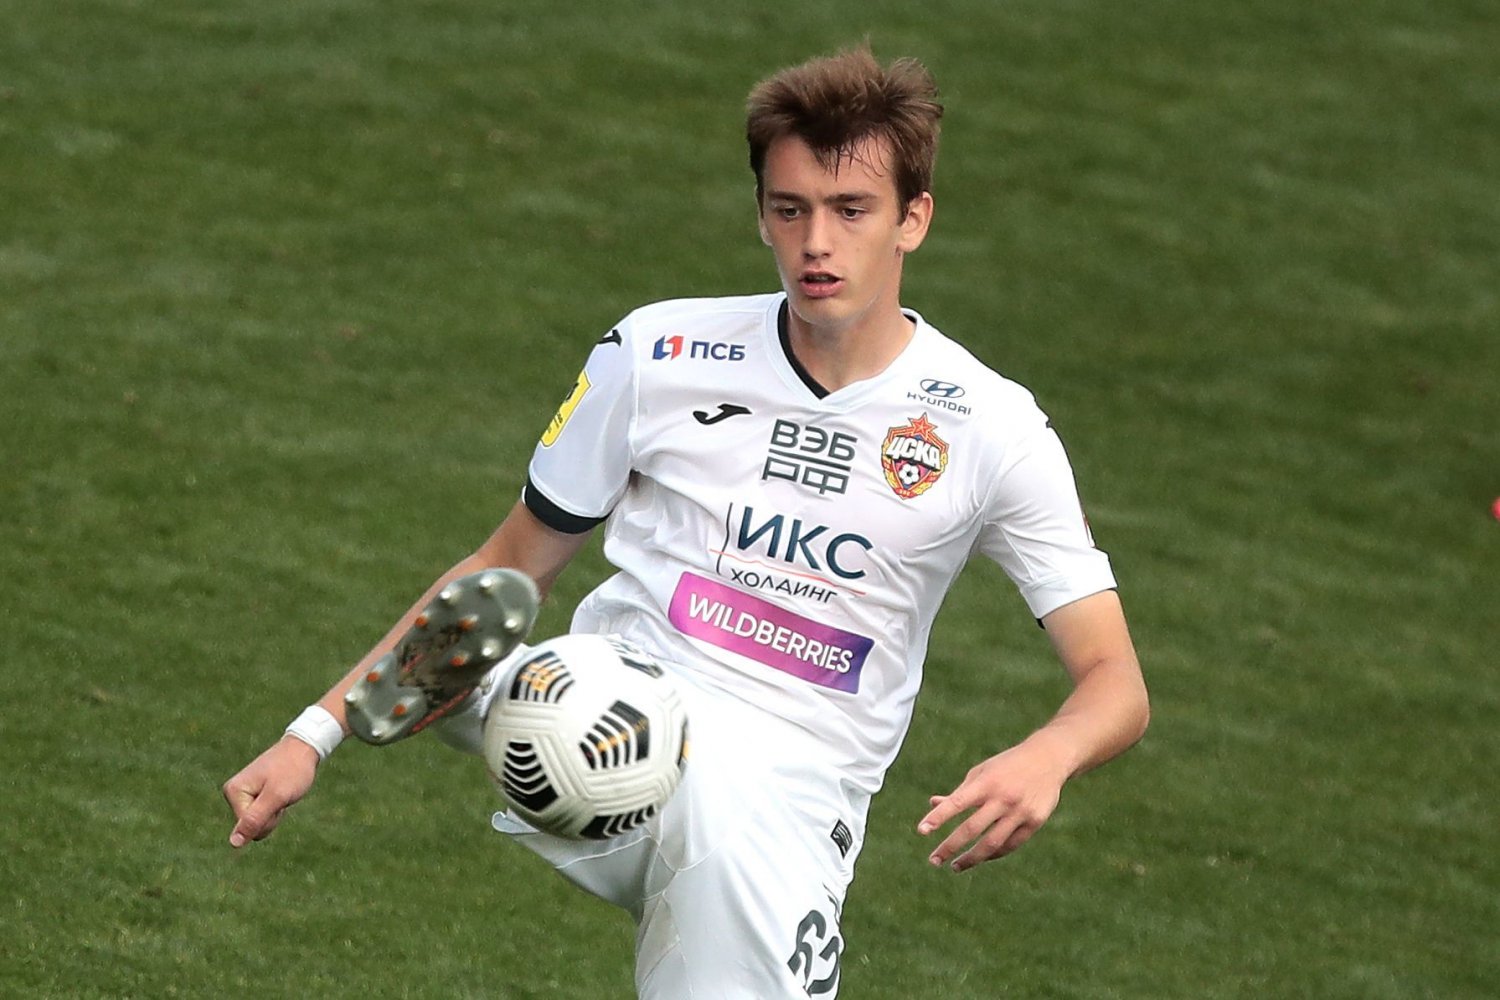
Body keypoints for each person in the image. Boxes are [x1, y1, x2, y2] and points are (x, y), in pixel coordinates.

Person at [222, 46, 1150, 998]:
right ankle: (498, 695)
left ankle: (489, 697)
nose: (815, 243)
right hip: (613, 710)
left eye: (851, 210)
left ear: (913, 218)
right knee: (531, 664)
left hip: (784, 802)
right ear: (760, 214)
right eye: (789, 209)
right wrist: (311, 736)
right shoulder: (660, 351)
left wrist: (1047, 756)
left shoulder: (991, 427)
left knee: (707, 810)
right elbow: (508, 567)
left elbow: (1115, 680)